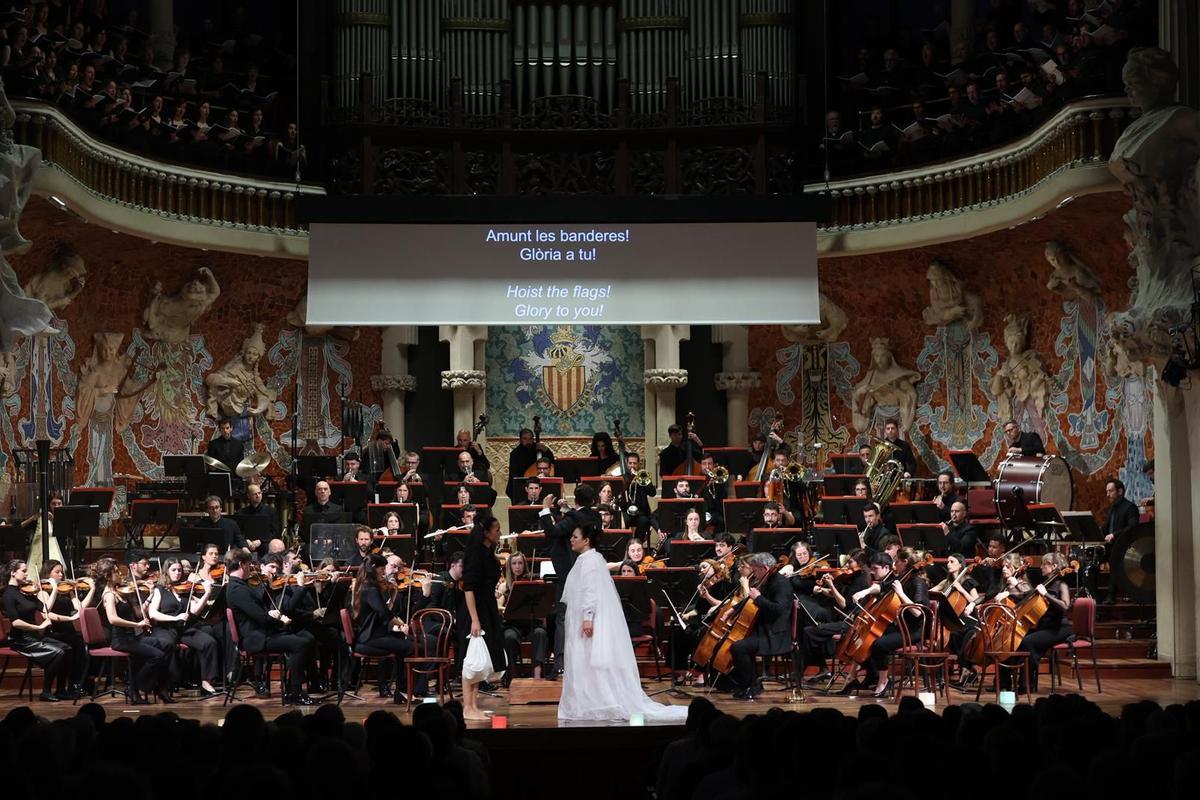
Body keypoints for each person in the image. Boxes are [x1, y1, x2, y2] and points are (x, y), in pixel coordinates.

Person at [557, 523, 689, 722]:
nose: (571, 539)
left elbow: (590, 593)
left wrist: (587, 618)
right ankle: (589, 701)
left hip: (589, 619)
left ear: (586, 540)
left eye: (575, 536)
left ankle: (600, 701)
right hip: (582, 618)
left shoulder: (590, 561)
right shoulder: (587, 559)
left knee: (591, 659)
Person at [223, 547, 315, 705]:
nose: (251, 568)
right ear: (241, 564)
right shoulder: (237, 589)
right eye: (249, 565)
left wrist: (274, 616)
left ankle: (293, 690)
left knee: (304, 638)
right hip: (256, 638)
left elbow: (260, 614)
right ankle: (295, 693)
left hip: (261, 633)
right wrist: (280, 622)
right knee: (301, 643)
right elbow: (260, 618)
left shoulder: (241, 585)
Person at [539, 483, 602, 677]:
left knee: (563, 618)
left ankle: (561, 663)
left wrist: (545, 509)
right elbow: (575, 519)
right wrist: (566, 510)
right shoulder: (595, 516)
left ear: (576, 499)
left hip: (569, 573)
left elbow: (553, 531)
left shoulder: (574, 518)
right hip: (589, 568)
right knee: (587, 615)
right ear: (593, 500)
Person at [849, 548, 929, 698]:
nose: (894, 564)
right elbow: (881, 586)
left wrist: (901, 593)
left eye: (897, 561)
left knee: (880, 644)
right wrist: (864, 592)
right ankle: (856, 676)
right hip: (900, 627)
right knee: (868, 637)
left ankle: (883, 681)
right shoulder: (903, 578)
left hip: (914, 631)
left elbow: (918, 612)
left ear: (905, 562)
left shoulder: (918, 582)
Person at [95, 557, 171, 704]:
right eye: (116, 572)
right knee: (158, 656)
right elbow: (112, 619)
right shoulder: (109, 595)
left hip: (133, 638)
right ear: (108, 576)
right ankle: (135, 686)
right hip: (121, 640)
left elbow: (137, 613)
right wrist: (137, 625)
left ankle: (160, 687)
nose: (120, 574)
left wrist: (148, 597)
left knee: (167, 645)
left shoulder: (121, 591)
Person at [147, 559, 219, 697]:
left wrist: (206, 594)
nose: (177, 573)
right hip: (165, 628)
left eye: (179, 570)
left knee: (209, 642)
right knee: (168, 645)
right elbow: (153, 613)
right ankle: (167, 685)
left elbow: (195, 611)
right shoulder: (159, 590)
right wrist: (175, 618)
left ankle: (206, 682)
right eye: (173, 570)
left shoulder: (186, 589)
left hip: (183, 629)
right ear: (166, 571)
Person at [727, 552, 794, 700]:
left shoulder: (781, 583)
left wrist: (758, 598)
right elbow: (749, 600)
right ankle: (750, 684)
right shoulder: (767, 579)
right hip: (763, 630)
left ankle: (751, 685)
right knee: (737, 645)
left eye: (755, 569)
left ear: (764, 568)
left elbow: (779, 609)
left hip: (775, 634)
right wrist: (733, 610)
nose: (753, 573)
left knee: (738, 647)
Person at [2, 559, 72, 701]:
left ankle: (60, 690)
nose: (27, 574)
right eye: (24, 571)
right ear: (12, 573)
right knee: (58, 652)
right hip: (21, 639)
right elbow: (15, 622)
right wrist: (39, 627)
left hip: (33, 637)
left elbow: (45, 608)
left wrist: (53, 590)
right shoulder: (8, 595)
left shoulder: (26, 591)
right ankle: (46, 692)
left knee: (68, 649)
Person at [460, 515, 506, 719]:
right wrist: (475, 619)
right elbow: (468, 588)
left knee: (482, 658)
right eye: (496, 530)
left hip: (487, 606)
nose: (500, 533)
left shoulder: (488, 553)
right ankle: (467, 707)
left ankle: (474, 706)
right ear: (486, 533)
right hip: (475, 610)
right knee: (472, 658)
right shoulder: (475, 555)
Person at [351, 552, 413, 702]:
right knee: (410, 647)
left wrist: (394, 593)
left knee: (402, 642)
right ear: (374, 568)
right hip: (370, 638)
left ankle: (401, 692)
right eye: (382, 568)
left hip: (372, 635)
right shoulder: (370, 589)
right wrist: (402, 624)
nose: (383, 571)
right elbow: (386, 615)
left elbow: (386, 612)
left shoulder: (366, 586)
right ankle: (405, 691)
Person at [1017, 552, 1073, 692]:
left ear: (1054, 566)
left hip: (1059, 628)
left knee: (1028, 642)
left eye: (1044, 564)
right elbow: (1028, 596)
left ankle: (1027, 685)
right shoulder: (1046, 584)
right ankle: (1018, 683)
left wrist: (1046, 594)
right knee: (1019, 638)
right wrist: (1013, 591)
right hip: (1045, 627)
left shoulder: (1061, 585)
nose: (1041, 567)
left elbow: (1065, 606)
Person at [37, 559, 93, 699]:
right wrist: (54, 589)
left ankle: (73, 684)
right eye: (57, 572)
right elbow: (46, 612)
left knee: (80, 644)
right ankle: (60, 689)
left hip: (68, 630)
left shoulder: (67, 590)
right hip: (53, 631)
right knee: (71, 645)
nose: (61, 575)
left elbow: (79, 608)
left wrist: (92, 590)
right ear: (48, 573)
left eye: (62, 572)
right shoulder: (43, 591)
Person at [499, 551, 549, 682]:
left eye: (520, 563)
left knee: (540, 633)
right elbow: (500, 609)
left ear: (524, 564)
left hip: (532, 623)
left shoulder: (532, 582)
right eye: (514, 563)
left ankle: (537, 672)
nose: (517, 566)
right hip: (513, 626)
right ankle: (513, 673)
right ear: (510, 566)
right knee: (509, 637)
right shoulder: (504, 587)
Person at [1099, 478, 1140, 603]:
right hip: (1109, 546)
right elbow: (1105, 528)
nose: (1108, 494)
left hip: (1123, 546)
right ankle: (1095, 596)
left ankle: (1111, 596)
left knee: (1114, 559)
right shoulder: (1112, 508)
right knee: (1090, 561)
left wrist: (1114, 535)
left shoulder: (1130, 507)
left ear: (1120, 491)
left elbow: (1132, 527)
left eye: (1110, 491)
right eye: (1107, 491)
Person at [507, 428, 552, 501]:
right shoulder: (515, 454)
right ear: (520, 440)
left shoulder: (538, 448)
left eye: (530, 439)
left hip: (538, 487)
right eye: (525, 439)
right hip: (521, 486)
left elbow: (550, 461)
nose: (528, 441)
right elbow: (513, 474)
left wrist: (546, 450)